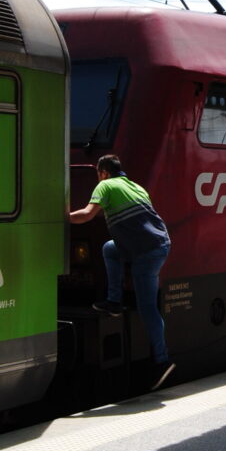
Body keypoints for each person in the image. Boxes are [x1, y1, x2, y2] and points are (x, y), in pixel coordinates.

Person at [69, 154, 174, 391]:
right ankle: (114, 301)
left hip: (146, 252)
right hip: (160, 245)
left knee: (147, 308)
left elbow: (87, 214)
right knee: (110, 248)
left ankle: (162, 360)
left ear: (103, 172)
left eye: (98, 174)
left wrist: (60, 218)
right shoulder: (136, 187)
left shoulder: (105, 185)